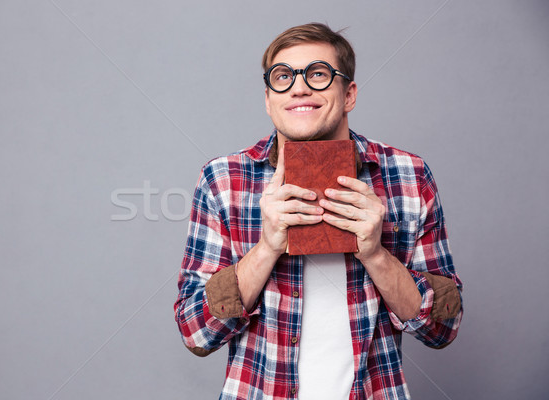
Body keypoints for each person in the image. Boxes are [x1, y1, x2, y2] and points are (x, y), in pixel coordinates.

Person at [174, 23, 463, 400]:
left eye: (318, 74)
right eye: (283, 77)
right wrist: (266, 248)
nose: (299, 87)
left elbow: (442, 328)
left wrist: (376, 254)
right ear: (268, 99)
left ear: (349, 94)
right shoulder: (223, 179)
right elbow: (196, 332)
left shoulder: (408, 175)